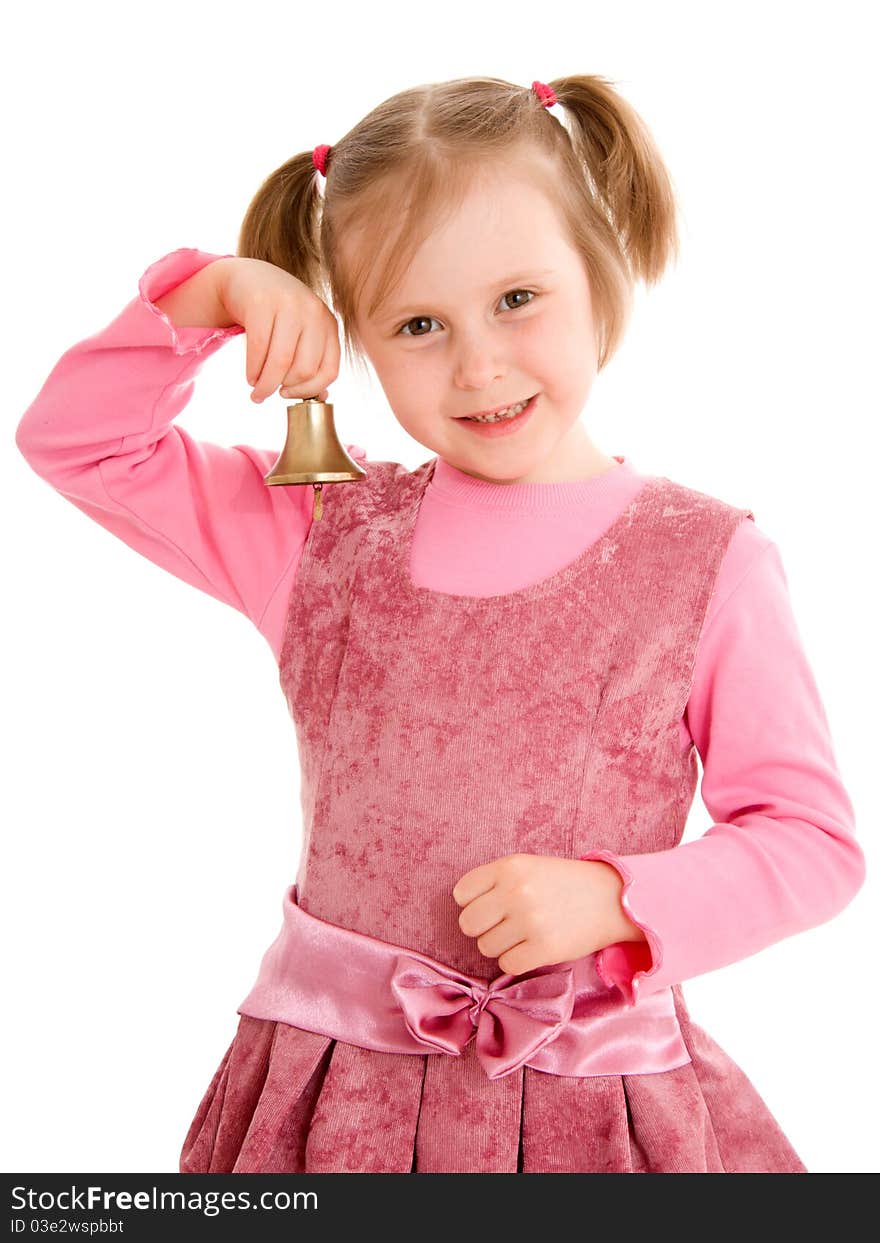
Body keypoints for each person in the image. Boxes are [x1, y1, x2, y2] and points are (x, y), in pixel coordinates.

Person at [14, 73, 865, 1175]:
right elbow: (78, 446)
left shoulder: (706, 562)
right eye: (418, 323)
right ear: (354, 334)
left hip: (590, 1100)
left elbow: (811, 840)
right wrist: (209, 299)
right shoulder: (323, 532)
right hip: (328, 1104)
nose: (478, 363)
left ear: (600, 270)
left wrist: (616, 897)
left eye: (519, 298)